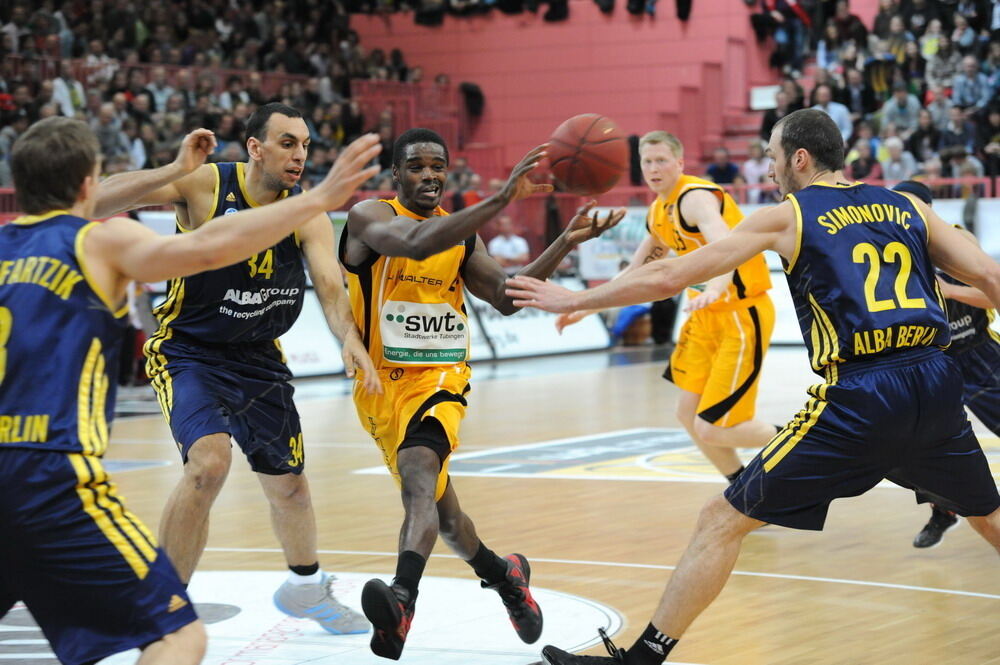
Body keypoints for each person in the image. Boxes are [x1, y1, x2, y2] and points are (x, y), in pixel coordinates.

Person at [507, 109, 1000, 665]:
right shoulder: (908, 206)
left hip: (862, 393)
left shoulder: (788, 216)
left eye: (771, 156)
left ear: (800, 159)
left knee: (721, 520)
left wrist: (575, 298)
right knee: (986, 513)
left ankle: (641, 660)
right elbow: (990, 277)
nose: (767, 168)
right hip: (936, 378)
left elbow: (671, 276)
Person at [0, 117, 379, 665]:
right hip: (188, 350)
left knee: (290, 486)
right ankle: (167, 607)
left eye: (305, 146)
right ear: (256, 147)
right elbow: (107, 209)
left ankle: (304, 586)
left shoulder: (309, 214)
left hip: (258, 357)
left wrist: (349, 338)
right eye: (288, 143)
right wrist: (176, 170)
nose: (299, 154)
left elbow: (329, 284)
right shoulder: (205, 184)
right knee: (209, 463)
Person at [340, 128, 624, 660]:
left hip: (441, 378)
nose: (429, 175)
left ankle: (402, 601)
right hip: (378, 388)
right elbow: (414, 242)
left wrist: (564, 242)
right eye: (417, 167)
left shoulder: (463, 238)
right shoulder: (368, 218)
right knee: (446, 522)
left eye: (437, 167)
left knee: (420, 473)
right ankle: (506, 577)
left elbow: (507, 297)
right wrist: (499, 200)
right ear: (396, 174)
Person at [555, 131, 777, 484]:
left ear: (680, 163)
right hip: (703, 316)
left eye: (661, 160)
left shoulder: (696, 198)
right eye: (647, 161)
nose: (654, 168)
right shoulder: (659, 211)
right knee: (687, 416)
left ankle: (811, 442)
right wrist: (586, 307)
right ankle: (744, 489)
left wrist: (717, 287)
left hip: (740, 313)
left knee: (715, 426)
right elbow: (636, 271)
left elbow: (727, 247)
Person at [892, 180, 1000, 548]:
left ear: (928, 209)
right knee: (925, 440)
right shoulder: (895, 247)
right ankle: (943, 509)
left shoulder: (959, 240)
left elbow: (990, 294)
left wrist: (950, 289)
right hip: (935, 361)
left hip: (980, 352)